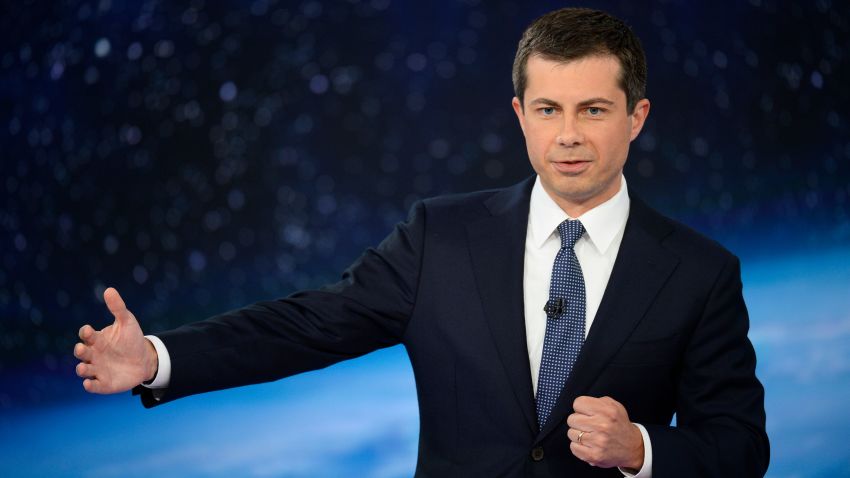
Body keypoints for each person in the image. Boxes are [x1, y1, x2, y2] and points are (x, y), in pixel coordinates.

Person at [73, 7, 769, 477]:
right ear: (520, 115)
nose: (569, 136)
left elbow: (739, 447)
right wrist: (159, 359)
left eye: (594, 110)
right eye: (550, 109)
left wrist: (640, 449)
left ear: (636, 117)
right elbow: (303, 326)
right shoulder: (442, 237)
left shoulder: (700, 273)